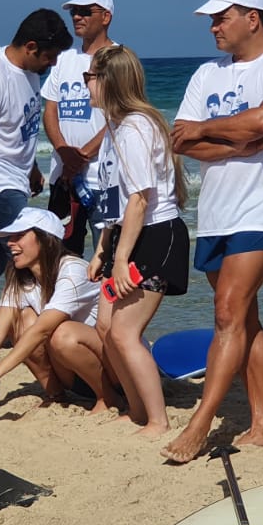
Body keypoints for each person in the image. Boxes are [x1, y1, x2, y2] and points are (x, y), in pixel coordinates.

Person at [163, 0, 263, 464]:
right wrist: (235, 141)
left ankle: (201, 422)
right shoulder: (207, 73)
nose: (214, 26)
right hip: (216, 210)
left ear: (253, 18)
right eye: (212, 18)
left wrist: (212, 130)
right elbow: (179, 141)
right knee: (244, 319)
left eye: (222, 17)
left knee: (227, 312)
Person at [82, 44, 189, 438]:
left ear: (109, 82)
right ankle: (137, 408)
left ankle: (158, 420)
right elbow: (116, 200)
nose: (86, 86)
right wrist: (102, 252)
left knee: (125, 332)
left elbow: (141, 200)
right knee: (106, 328)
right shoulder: (115, 128)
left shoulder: (135, 128)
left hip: (156, 236)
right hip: (127, 238)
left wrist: (120, 258)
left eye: (89, 78)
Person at [0, 208, 116, 411]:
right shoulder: (21, 276)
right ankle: (56, 394)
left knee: (61, 333)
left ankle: (107, 398)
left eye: (19, 236)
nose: (11, 243)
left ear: (45, 239)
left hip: (113, 371)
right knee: (21, 320)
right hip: (74, 375)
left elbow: (42, 330)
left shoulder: (73, 270)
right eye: (10, 237)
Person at [0, 8, 73, 282]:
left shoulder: (29, 73)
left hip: (15, 182)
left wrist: (31, 167)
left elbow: (17, 126)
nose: (53, 64)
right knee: (35, 263)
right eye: (50, 56)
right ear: (31, 47)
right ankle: (41, 324)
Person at [42, 0, 116, 255]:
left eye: (85, 12)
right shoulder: (63, 59)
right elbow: (50, 110)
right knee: (59, 254)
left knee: (106, 255)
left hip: (105, 178)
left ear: (105, 17)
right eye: (74, 12)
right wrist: (65, 153)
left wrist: (82, 156)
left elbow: (120, 116)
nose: (77, 17)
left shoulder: (118, 59)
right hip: (62, 175)